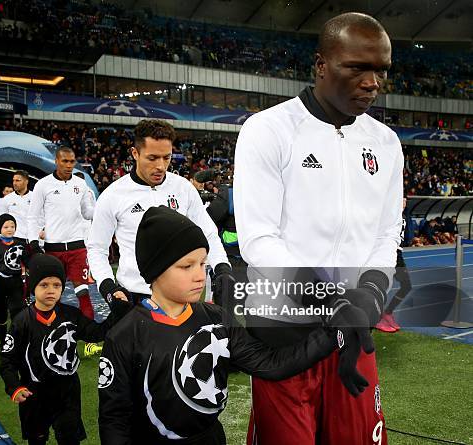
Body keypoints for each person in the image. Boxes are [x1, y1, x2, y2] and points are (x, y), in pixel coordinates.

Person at [234, 13, 402, 444]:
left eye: (380, 70)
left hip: (353, 328)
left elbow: (386, 234)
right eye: (357, 67)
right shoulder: (268, 130)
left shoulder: (386, 143)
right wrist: (334, 300)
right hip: (283, 331)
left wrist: (367, 294)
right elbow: (258, 239)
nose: (372, 82)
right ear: (321, 64)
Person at [98, 206, 338, 444]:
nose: (200, 275)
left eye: (203, 264)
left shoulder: (215, 318)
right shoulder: (125, 335)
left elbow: (270, 364)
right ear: (156, 270)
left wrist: (332, 332)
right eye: (186, 266)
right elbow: (114, 419)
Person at [87, 119, 234, 307]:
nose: (161, 166)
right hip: (135, 296)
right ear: (135, 153)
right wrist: (108, 287)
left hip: (179, 295)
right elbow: (97, 248)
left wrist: (222, 268)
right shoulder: (113, 195)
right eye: (152, 158)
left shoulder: (183, 188)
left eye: (167, 157)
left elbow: (209, 234)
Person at [0, 254, 130, 445]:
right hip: (34, 394)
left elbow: (96, 333)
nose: (51, 290)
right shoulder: (22, 321)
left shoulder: (71, 315)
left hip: (67, 392)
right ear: (33, 286)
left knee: (70, 438)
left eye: (57, 285)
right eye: (44, 285)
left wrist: (118, 310)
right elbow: (7, 360)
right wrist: (14, 386)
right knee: (37, 438)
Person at [28, 147, 96, 320]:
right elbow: (33, 216)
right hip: (53, 249)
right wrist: (33, 242)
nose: (69, 165)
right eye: (65, 161)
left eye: (72, 161)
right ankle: (52, 331)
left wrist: (104, 211)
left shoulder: (80, 184)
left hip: (78, 248)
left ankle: (89, 339)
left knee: (83, 292)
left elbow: (87, 212)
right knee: (51, 294)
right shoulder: (43, 185)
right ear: (56, 161)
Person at [0, 214, 29, 348]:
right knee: (1, 314)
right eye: (6, 227)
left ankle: (16, 340)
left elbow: (28, 262)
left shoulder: (20, 245)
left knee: (18, 313)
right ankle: (3, 342)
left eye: (12, 226)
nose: (10, 229)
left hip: (16, 284)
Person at [376, 198, 412, 333]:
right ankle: (376, 318)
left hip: (398, 253)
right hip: (386, 252)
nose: (404, 202)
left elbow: (407, 236)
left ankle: (388, 312)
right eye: (401, 199)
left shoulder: (404, 215)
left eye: (405, 200)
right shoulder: (388, 215)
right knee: (381, 285)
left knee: (406, 285)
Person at [0, 171, 34, 242]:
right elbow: (1, 218)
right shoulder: (7, 199)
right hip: (14, 237)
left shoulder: (35, 197)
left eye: (18, 180)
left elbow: (42, 216)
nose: (14, 183)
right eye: (13, 180)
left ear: (26, 182)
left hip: (33, 237)